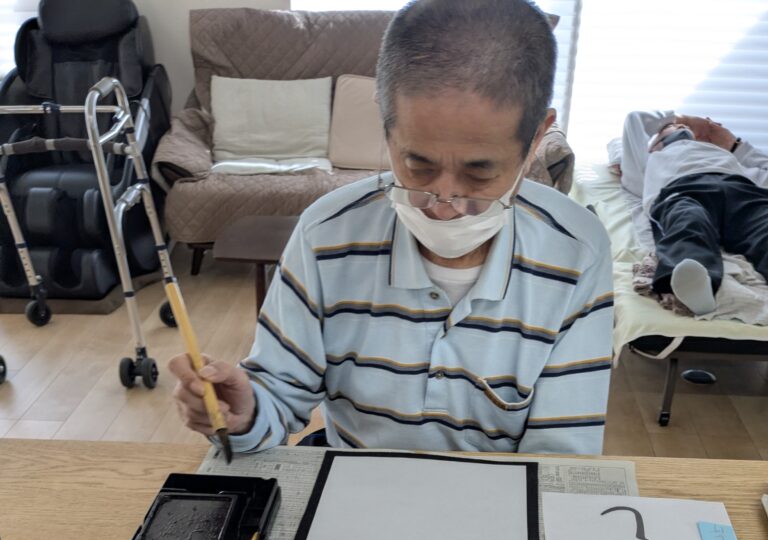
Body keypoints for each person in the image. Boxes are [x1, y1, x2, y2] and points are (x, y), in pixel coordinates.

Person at [170, 0, 614, 456]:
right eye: (417, 165)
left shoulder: (576, 250)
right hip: (354, 479)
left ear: (538, 136)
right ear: (383, 120)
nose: (444, 204)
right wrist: (244, 413)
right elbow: (279, 397)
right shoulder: (327, 234)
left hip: (505, 492)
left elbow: (559, 456)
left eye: (480, 173)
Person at [621, 110, 768, 314]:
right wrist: (682, 119)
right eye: (670, 129)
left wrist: (735, 146)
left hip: (740, 189)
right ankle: (697, 290)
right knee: (688, 224)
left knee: (764, 227)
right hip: (682, 191)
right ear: (653, 146)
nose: (683, 129)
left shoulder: (729, 158)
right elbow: (635, 119)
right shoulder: (647, 163)